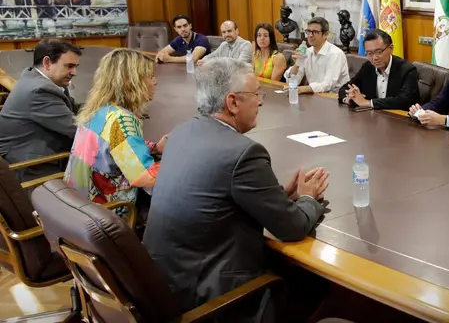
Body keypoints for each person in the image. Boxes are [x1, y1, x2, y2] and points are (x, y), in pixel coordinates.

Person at [143, 58, 328, 321]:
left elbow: (218, 193)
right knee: (313, 284)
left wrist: (279, 196)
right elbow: (292, 227)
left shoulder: (182, 132)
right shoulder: (243, 153)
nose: (261, 102)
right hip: (211, 298)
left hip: (165, 283)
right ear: (232, 102)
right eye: (256, 95)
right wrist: (309, 198)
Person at [64, 49, 165, 207]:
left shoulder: (99, 110)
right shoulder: (122, 120)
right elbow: (145, 177)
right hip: (106, 210)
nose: (155, 82)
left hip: (78, 204)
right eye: (150, 76)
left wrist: (155, 147)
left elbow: (115, 147)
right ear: (132, 81)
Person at [0, 39, 81, 182]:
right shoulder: (40, 90)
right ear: (47, 63)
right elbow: (77, 129)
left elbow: (75, 108)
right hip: (32, 167)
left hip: (38, 154)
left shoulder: (37, 77)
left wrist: (102, 108)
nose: (74, 72)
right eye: (69, 66)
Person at [338, 29, 419, 110]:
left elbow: (404, 101)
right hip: (373, 117)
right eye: (369, 53)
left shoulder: (407, 70)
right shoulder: (368, 67)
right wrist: (349, 99)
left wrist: (367, 103)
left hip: (399, 118)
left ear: (391, 48)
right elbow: (345, 88)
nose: (374, 58)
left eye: (379, 52)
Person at [283, 16, 350, 94]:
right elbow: (293, 81)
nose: (310, 35)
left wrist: (301, 89)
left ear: (325, 34)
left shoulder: (336, 54)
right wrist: (296, 65)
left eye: (315, 32)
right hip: (315, 95)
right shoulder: (307, 52)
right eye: (308, 31)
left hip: (335, 98)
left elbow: (328, 84)